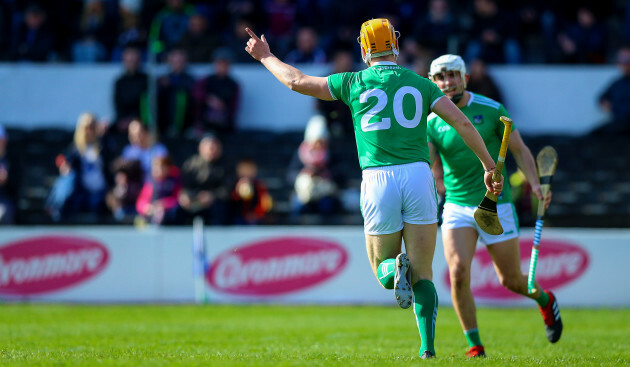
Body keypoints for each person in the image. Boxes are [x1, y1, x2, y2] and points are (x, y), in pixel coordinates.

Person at [245, 19, 501, 359]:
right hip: (418, 175)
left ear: (364, 49)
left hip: (379, 178)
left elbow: (296, 81)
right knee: (424, 272)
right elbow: (463, 123)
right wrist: (489, 165)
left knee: (383, 271)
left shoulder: (352, 81)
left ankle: (394, 269)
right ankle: (427, 349)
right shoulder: (420, 83)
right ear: (395, 45)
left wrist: (265, 56)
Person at [426, 54, 563, 358]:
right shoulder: (432, 120)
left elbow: (520, 150)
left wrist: (535, 185)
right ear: (433, 82)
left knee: (512, 281)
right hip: (457, 207)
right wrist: (432, 181)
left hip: (497, 206)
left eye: (453, 76)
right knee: (458, 272)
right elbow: (428, 160)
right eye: (441, 78)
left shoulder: (491, 110)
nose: (448, 83)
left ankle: (544, 300)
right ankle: (475, 345)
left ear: (465, 78)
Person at [46, 113, 108, 222]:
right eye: (86, 128)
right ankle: (55, 206)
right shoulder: (75, 149)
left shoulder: (104, 146)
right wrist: (64, 166)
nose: (89, 131)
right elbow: (61, 159)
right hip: (84, 190)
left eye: (92, 128)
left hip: (101, 190)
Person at [287, 115, 341, 218]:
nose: (318, 145)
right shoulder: (299, 154)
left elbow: (340, 175)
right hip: (304, 193)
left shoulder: (332, 154)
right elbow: (290, 175)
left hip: (325, 193)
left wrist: (324, 173)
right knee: (298, 205)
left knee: (327, 205)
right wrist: (305, 173)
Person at [178, 134, 230, 225]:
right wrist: (185, 196)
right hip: (193, 202)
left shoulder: (227, 166)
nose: (211, 150)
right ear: (200, 148)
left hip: (216, 203)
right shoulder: (191, 165)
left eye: (214, 147)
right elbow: (183, 185)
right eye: (209, 147)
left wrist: (212, 196)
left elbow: (228, 189)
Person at [193, 49, 240, 135]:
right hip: (205, 124)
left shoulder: (233, 84)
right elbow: (196, 95)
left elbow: (234, 107)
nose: (222, 66)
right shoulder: (205, 81)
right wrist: (209, 100)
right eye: (219, 63)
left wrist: (222, 107)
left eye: (225, 63)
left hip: (224, 126)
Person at [157, 48, 195, 136]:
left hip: (185, 122)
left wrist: (171, 83)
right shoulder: (163, 80)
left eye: (180, 60)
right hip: (164, 120)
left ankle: (176, 128)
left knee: (180, 97)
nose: (177, 63)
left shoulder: (189, 79)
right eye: (174, 60)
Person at [594, 46, 630, 135]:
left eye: (627, 61)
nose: (624, 64)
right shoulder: (617, 83)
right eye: (621, 61)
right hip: (618, 125)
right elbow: (602, 98)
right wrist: (605, 103)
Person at [136, 156, 181, 225]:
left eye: (162, 167)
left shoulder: (174, 181)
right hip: (151, 214)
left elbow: (178, 199)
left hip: (170, 216)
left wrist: (164, 204)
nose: (158, 170)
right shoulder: (150, 182)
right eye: (155, 167)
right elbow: (141, 202)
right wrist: (147, 208)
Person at [113, 47, 148, 131]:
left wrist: (134, 120)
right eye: (129, 59)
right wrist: (123, 120)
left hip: (142, 122)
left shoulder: (146, 80)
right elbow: (118, 104)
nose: (131, 61)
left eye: (134, 58)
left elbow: (146, 105)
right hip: (123, 122)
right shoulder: (119, 82)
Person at [230, 158, 272, 225]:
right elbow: (231, 202)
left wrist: (256, 215)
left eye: (249, 169)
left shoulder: (259, 185)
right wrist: (237, 191)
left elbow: (263, 204)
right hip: (237, 217)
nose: (247, 172)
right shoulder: (233, 184)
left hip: (255, 218)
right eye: (244, 169)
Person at [0, 125, 16, 224]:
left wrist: (6, 180)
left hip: (4, 200)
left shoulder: (12, 160)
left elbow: (15, 187)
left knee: (4, 211)